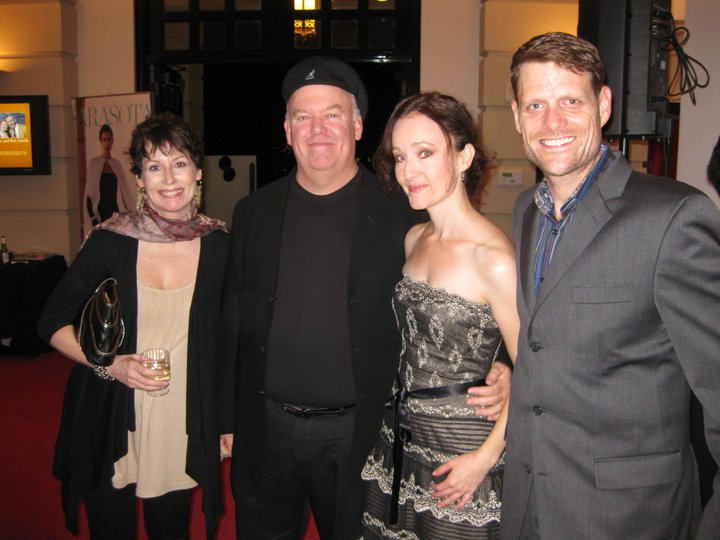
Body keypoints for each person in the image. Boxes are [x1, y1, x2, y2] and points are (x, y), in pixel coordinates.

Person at [218, 56, 512, 540]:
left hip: (361, 433)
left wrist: (502, 366)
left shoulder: (404, 209)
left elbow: (463, 297)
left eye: (332, 114)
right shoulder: (253, 211)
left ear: (356, 126)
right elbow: (231, 319)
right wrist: (226, 419)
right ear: (286, 129)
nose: (318, 129)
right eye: (303, 117)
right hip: (266, 429)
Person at [500, 32, 720, 539]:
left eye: (570, 101)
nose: (551, 123)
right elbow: (548, 336)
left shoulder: (673, 217)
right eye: (535, 104)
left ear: (602, 105)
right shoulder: (525, 213)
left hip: (629, 518)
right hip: (530, 503)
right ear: (516, 116)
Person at [38, 112, 229, 539]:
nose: (168, 178)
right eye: (153, 166)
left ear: (198, 172)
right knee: (111, 530)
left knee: (170, 530)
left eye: (179, 163)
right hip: (108, 411)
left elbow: (231, 343)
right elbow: (50, 321)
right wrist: (110, 364)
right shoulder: (111, 240)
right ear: (139, 179)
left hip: (180, 417)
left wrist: (227, 422)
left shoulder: (220, 245)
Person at [360, 92, 520, 538]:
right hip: (401, 438)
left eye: (426, 153)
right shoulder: (414, 239)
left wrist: (485, 459)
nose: (409, 171)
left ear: (465, 156)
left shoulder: (494, 258)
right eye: (399, 156)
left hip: (464, 450)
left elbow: (538, 367)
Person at [83, 124, 135, 237]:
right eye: (104, 140)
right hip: (99, 212)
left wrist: (132, 211)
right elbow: (89, 193)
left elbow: (124, 190)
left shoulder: (116, 164)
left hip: (113, 211)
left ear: (113, 141)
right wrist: (92, 217)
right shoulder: (94, 163)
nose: (107, 143)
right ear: (100, 141)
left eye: (109, 140)